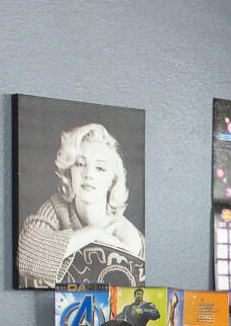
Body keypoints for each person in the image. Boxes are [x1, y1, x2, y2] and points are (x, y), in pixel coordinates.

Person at [17, 122, 146, 287]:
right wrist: (93, 233)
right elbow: (26, 256)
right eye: (80, 164)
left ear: (113, 182)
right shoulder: (57, 207)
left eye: (100, 168)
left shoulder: (126, 234)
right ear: (70, 171)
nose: (88, 174)